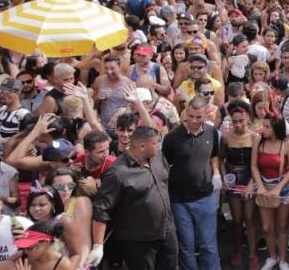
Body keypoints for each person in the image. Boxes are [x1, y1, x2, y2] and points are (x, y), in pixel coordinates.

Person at [89, 125, 178, 270]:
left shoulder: (157, 157)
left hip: (166, 232)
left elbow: (165, 181)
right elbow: (101, 210)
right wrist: (98, 246)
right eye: (155, 143)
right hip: (138, 241)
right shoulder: (117, 173)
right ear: (142, 146)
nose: (158, 146)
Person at [161, 96, 221, 270]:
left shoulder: (211, 132)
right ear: (186, 113)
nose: (194, 121)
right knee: (186, 246)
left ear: (206, 115)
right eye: (191, 116)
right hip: (179, 201)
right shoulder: (172, 137)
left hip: (205, 197)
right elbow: (164, 166)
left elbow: (214, 155)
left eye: (199, 117)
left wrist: (216, 173)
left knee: (208, 245)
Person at [251, 109, 289, 270]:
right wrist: (260, 186)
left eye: (267, 126)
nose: (262, 129)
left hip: (282, 188)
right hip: (264, 186)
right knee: (266, 227)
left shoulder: (288, 144)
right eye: (262, 125)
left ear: (276, 128)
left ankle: (283, 260)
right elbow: (254, 166)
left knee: (282, 226)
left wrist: (278, 188)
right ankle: (273, 257)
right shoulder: (258, 141)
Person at [219, 100, 259, 268]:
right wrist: (224, 178)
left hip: (249, 176)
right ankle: (237, 249)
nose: (238, 124)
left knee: (249, 219)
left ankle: (252, 255)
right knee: (236, 220)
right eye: (234, 121)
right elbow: (221, 160)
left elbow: (257, 165)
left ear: (248, 118)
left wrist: (251, 183)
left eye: (241, 120)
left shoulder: (255, 137)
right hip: (232, 177)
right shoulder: (226, 137)